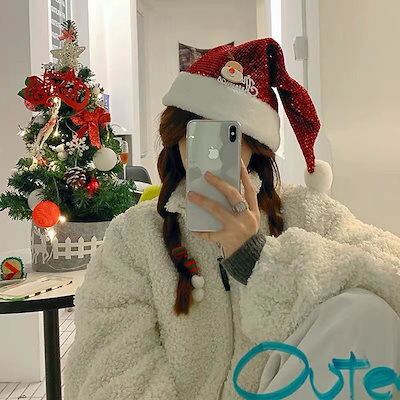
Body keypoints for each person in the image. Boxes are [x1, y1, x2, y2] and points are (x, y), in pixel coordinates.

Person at [64, 38, 400, 400]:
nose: (211, 151)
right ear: (178, 137)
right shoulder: (134, 237)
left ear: (255, 143)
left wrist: (259, 260)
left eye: (228, 136)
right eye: (197, 131)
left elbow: (390, 275)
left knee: (366, 310)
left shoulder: (304, 212)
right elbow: (109, 371)